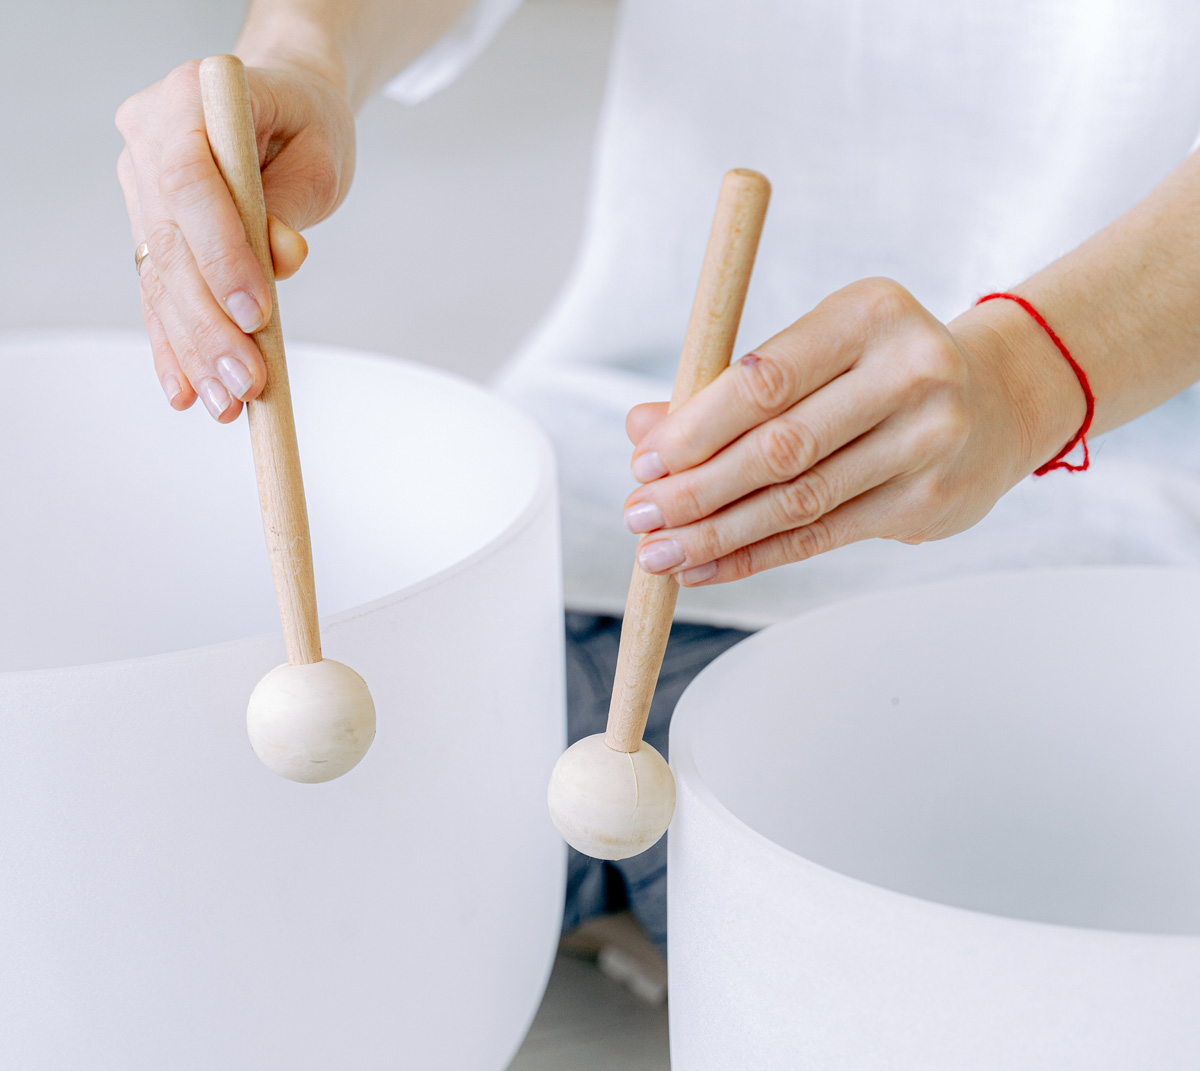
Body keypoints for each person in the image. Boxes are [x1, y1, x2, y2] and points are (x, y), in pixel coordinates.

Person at [116, 0, 1200, 963]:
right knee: (227, 885)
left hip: (1094, 537)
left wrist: (1035, 372)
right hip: (603, 500)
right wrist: (304, 47)